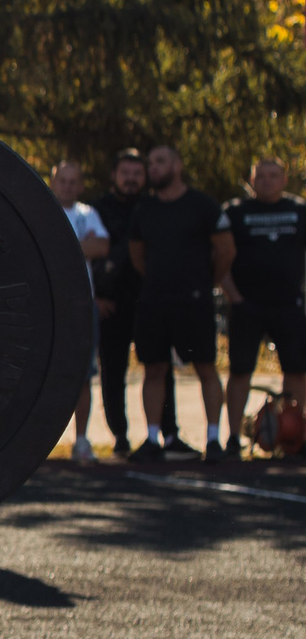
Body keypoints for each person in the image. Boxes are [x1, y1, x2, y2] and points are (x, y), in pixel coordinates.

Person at [126, 143, 232, 462]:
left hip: (195, 302)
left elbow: (226, 252)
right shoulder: (144, 209)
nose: (154, 167)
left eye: (161, 161)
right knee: (154, 369)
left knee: (205, 367)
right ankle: (152, 438)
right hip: (154, 302)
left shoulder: (203, 206)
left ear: (178, 165)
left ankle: (213, 439)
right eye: (151, 162)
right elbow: (137, 255)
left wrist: (206, 282)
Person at [93, 150, 180, 457]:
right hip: (111, 304)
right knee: (113, 372)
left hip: (151, 302)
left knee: (159, 369)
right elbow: (88, 257)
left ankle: (168, 434)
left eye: (137, 173)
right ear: (114, 175)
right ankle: (120, 435)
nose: (131, 179)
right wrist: (96, 297)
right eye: (125, 173)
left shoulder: (154, 206)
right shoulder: (98, 208)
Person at [224, 155, 306, 456]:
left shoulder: (298, 210)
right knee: (240, 370)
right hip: (247, 305)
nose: (267, 180)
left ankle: (293, 437)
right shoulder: (235, 212)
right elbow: (220, 257)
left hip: (288, 305)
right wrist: (234, 296)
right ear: (252, 179)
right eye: (261, 176)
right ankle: (233, 437)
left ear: (284, 179)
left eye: (274, 175)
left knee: (297, 371)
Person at [49, 159, 110, 464]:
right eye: (63, 180)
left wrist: (61, 246)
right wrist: (77, 246)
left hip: (81, 306)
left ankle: (82, 440)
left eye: (74, 181)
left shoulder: (88, 214)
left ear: (82, 185)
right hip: (47, 305)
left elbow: (101, 247)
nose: (68, 186)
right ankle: (42, 439)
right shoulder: (43, 210)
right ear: (53, 181)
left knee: (83, 375)